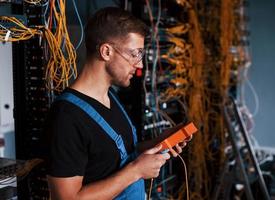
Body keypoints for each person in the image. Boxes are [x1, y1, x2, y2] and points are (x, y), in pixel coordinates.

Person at [44, 7, 190, 200]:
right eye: (134, 54)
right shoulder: (66, 116)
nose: (139, 64)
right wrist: (136, 171)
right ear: (106, 51)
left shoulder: (111, 97)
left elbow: (112, 158)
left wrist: (157, 144)